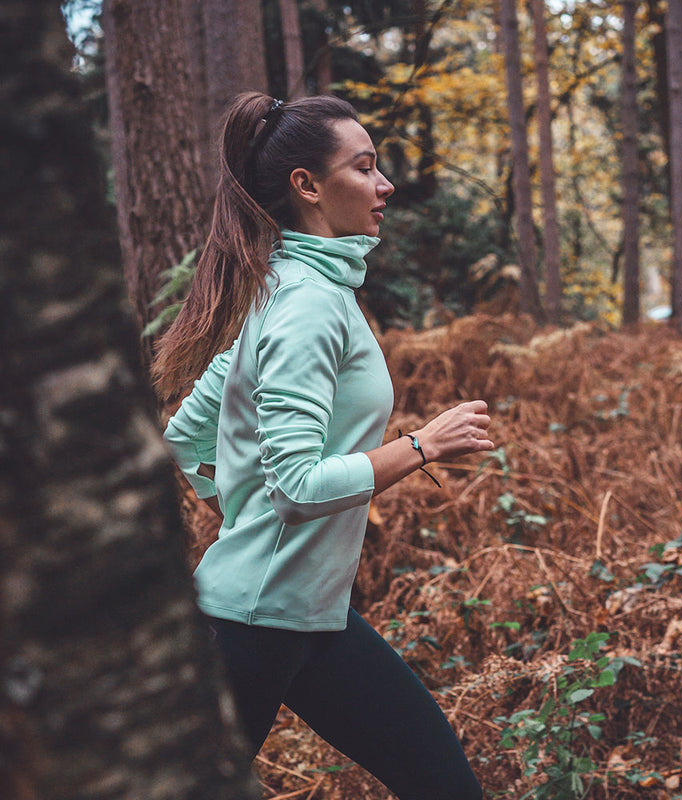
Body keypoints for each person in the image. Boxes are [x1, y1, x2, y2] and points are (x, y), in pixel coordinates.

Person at [153, 92, 492, 800]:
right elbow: (296, 486)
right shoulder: (307, 303)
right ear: (307, 186)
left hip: (304, 616)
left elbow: (184, 438)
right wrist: (421, 447)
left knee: (444, 785)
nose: (385, 185)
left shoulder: (291, 288)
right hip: (254, 623)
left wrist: (240, 517)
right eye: (364, 168)